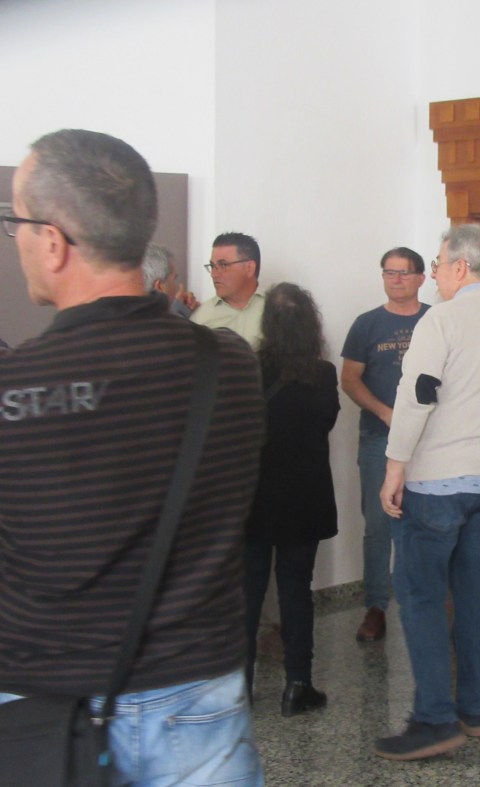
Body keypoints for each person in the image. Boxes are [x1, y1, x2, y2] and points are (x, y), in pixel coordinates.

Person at [0, 128, 264, 784]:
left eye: (17, 224)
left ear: (53, 241)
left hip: (46, 700)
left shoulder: (14, 386)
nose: (16, 241)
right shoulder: (229, 364)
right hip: (198, 692)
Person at [375, 224, 480, 761]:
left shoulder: (441, 320)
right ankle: (474, 710)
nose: (435, 275)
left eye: (438, 264)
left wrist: (395, 466)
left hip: (441, 482)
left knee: (421, 595)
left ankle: (433, 720)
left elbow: (417, 395)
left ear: (461, 267)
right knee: (478, 596)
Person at [244, 283, 340, 716]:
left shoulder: (248, 368)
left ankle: (238, 688)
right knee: (296, 590)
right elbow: (325, 423)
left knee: (247, 592)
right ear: (310, 326)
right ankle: (297, 685)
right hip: (304, 496)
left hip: (254, 495)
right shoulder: (323, 374)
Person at [340, 247, 429, 643]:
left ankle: (424, 603)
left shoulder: (436, 320)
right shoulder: (366, 324)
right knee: (378, 524)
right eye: (389, 272)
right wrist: (385, 412)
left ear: (421, 278)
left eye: (404, 272)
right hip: (380, 437)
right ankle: (376, 607)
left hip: (432, 441)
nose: (396, 279)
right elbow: (350, 379)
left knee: (429, 521)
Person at [192, 231, 265, 348]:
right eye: (212, 266)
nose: (214, 274)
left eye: (223, 265)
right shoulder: (201, 317)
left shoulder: (277, 310)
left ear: (249, 268)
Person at [141, 241, 199, 317]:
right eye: (174, 279)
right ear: (160, 287)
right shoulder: (171, 322)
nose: (176, 287)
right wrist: (180, 312)